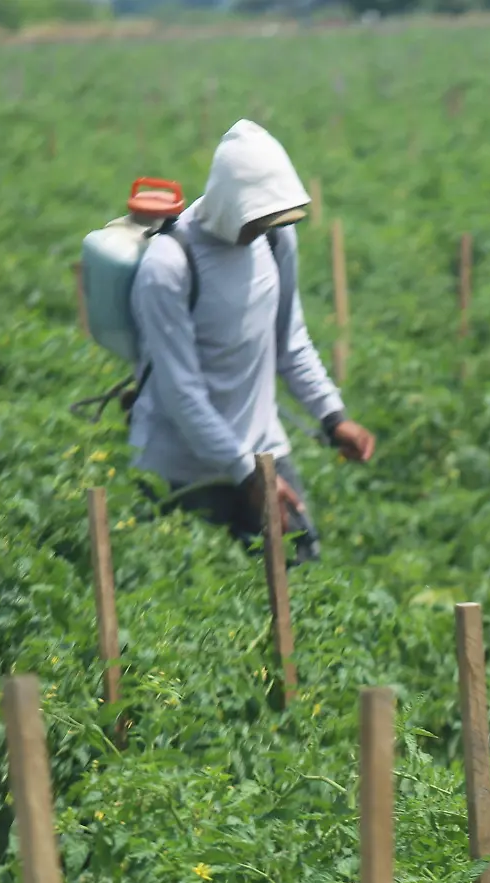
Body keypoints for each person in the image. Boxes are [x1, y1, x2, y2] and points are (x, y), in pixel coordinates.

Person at [130, 120, 375, 566]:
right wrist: (247, 473)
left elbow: (290, 341)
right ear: (229, 203)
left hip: (264, 454)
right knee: (188, 604)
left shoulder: (277, 238)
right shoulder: (169, 264)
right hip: (183, 473)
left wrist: (332, 416)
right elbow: (181, 393)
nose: (263, 227)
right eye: (256, 219)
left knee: (302, 585)